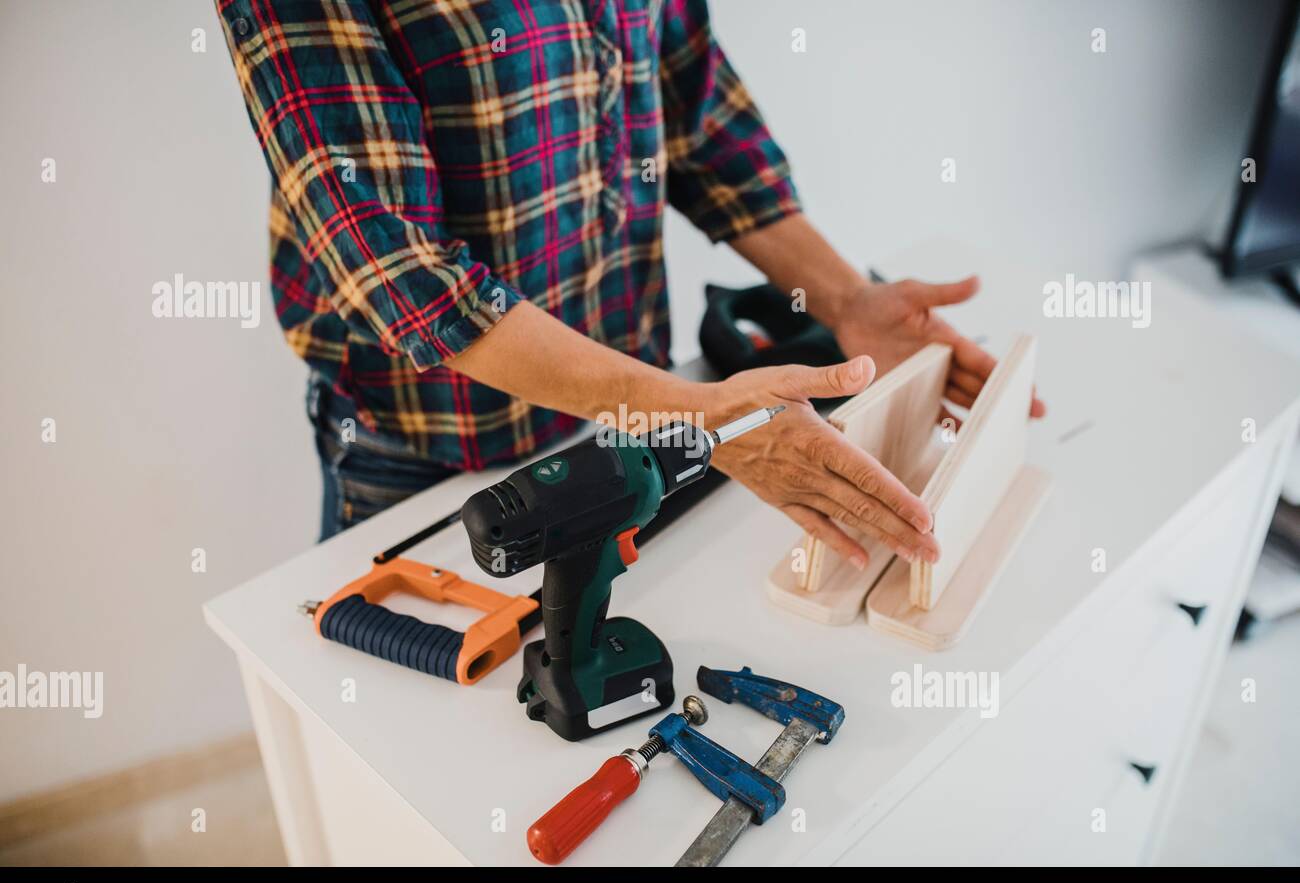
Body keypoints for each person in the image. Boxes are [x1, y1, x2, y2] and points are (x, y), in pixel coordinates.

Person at [217, 0, 1044, 563]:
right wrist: (694, 415)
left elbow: (698, 121)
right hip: (428, 452)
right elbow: (397, 267)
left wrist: (845, 299)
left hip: (631, 408)